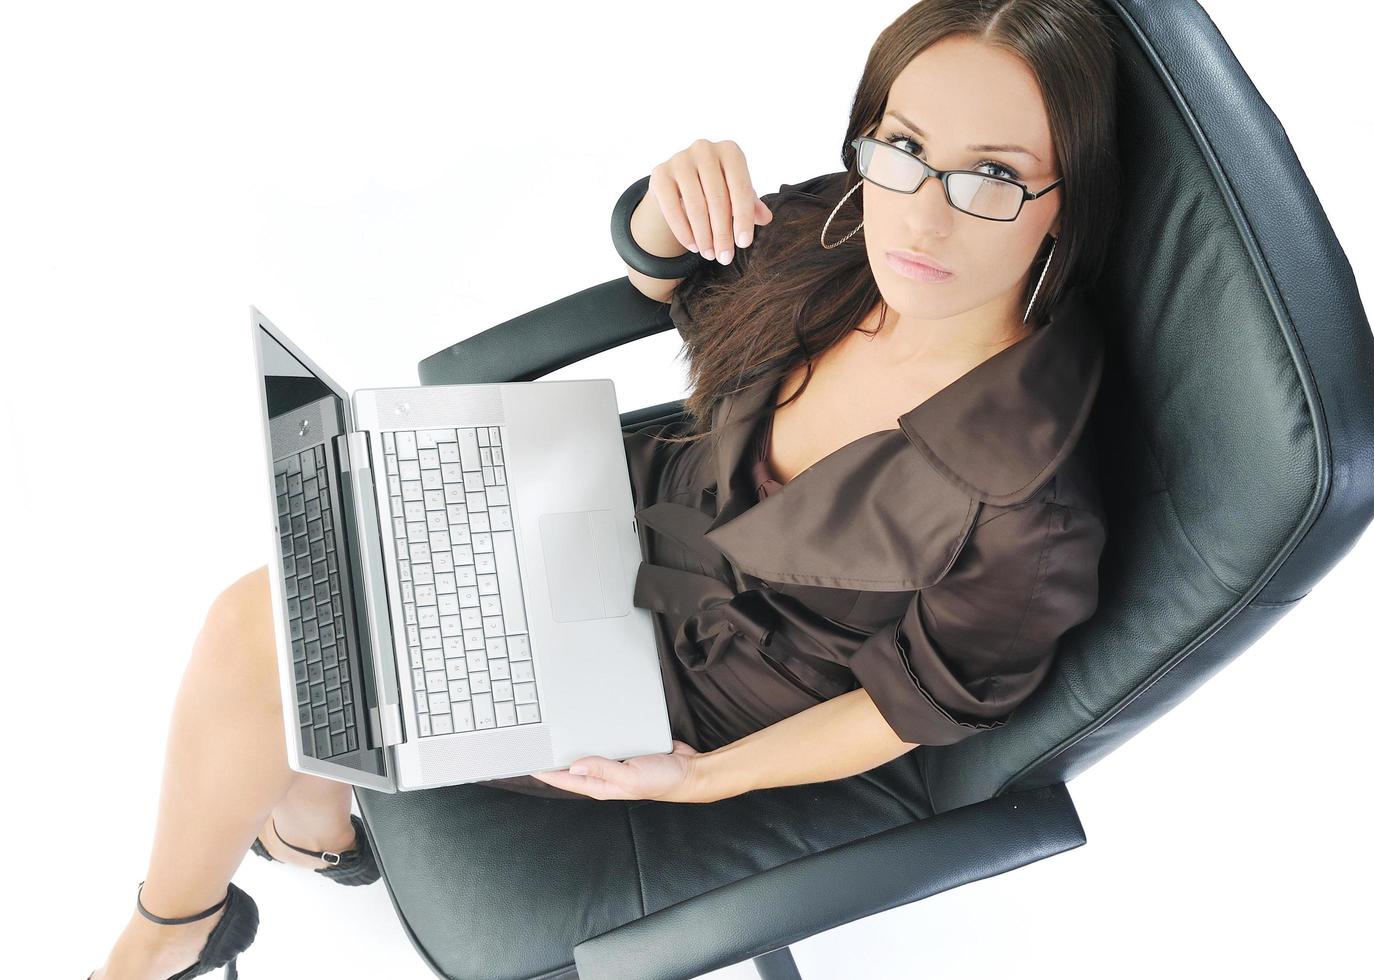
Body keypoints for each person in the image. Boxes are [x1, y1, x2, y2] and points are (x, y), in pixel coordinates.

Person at [88, 0, 1121, 976]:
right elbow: (672, 278)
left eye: (991, 177)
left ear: (1067, 200)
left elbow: (917, 704)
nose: (921, 220)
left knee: (264, 624)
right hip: (609, 511)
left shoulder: (1030, 509)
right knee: (331, 550)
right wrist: (665, 212)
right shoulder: (856, 227)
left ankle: (166, 934)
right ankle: (312, 829)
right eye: (902, 148)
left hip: (687, 690)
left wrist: (705, 775)